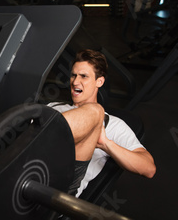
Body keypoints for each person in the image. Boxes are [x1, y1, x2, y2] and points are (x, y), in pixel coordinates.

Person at [48, 49, 156, 197]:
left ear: (100, 81)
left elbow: (148, 169)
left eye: (84, 76)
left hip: (56, 189)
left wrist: (105, 143)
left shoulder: (111, 124)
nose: (75, 81)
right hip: (28, 165)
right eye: (73, 75)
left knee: (95, 111)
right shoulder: (54, 106)